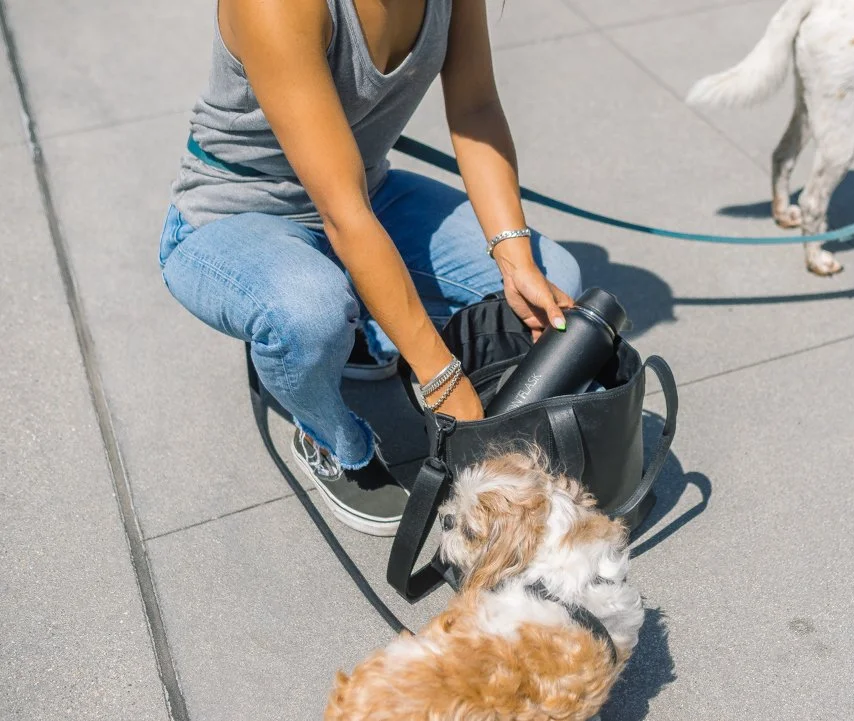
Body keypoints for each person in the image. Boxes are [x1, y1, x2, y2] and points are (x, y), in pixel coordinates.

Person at [157, 0, 582, 537]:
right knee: (308, 313)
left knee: (555, 279)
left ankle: (360, 329)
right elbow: (342, 214)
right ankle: (332, 436)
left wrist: (514, 258)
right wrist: (443, 381)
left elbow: (475, 109)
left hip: (365, 194)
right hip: (234, 213)